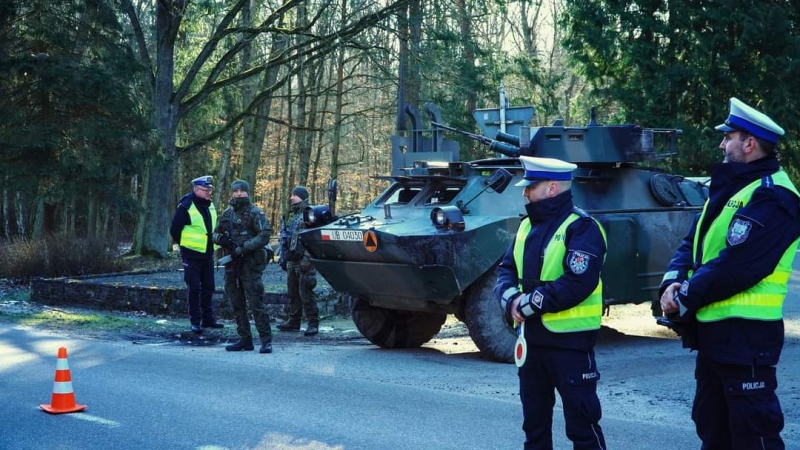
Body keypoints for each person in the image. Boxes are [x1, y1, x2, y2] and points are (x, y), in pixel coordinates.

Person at [659, 97, 800, 449]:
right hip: (714, 337)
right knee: (712, 428)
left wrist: (685, 296)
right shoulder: (726, 189)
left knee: (754, 434)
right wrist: (670, 282)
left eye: (729, 137)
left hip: (747, 339)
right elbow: (691, 243)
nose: (722, 144)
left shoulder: (776, 196)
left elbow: (739, 265)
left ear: (749, 144)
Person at [494, 156, 608, 450]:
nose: (525, 193)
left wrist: (529, 305)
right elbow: (506, 270)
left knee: (582, 428)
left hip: (570, 345)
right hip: (531, 344)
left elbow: (577, 282)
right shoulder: (525, 227)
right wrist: (510, 301)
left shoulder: (583, 228)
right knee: (534, 429)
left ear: (552, 188)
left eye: (531, 186)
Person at [213, 180, 274, 354]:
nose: (239, 194)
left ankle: (266, 340)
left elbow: (264, 235)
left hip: (250, 264)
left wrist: (244, 247)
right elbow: (214, 234)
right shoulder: (226, 213)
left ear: (248, 192)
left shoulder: (255, 212)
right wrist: (221, 239)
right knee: (236, 302)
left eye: (242, 191)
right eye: (236, 191)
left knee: (256, 302)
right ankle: (244, 339)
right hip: (231, 264)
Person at [169, 175, 224, 334]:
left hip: (207, 254)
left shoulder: (209, 205)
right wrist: (185, 246)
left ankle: (208, 319)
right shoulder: (185, 206)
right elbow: (174, 230)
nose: (209, 193)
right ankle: (195, 321)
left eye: (210, 190)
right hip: (191, 255)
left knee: (208, 288)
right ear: (196, 190)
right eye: (206, 190)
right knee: (194, 288)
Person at [276, 186, 320, 336]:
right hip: (292, 259)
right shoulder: (290, 215)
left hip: (304, 261)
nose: (291, 198)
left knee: (306, 292)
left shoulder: (310, 214)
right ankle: (294, 321)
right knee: (292, 292)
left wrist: (308, 259)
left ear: (302, 197)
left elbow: (315, 239)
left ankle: (313, 323)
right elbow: (285, 237)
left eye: (294, 195)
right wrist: (283, 258)